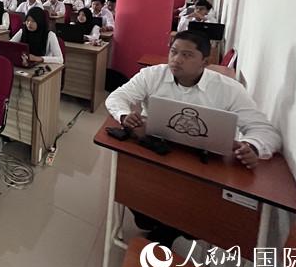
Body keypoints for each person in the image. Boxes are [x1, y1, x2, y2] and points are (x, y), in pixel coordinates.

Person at [105, 30, 281, 247]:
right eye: (173, 52)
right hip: (155, 151)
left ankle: (168, 230)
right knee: (134, 185)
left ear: (205, 62)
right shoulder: (153, 75)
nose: (176, 59)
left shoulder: (228, 89)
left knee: (189, 207)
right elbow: (117, 97)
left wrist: (252, 146)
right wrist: (123, 114)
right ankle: (157, 222)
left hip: (201, 163)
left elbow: (265, 131)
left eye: (187, 55)